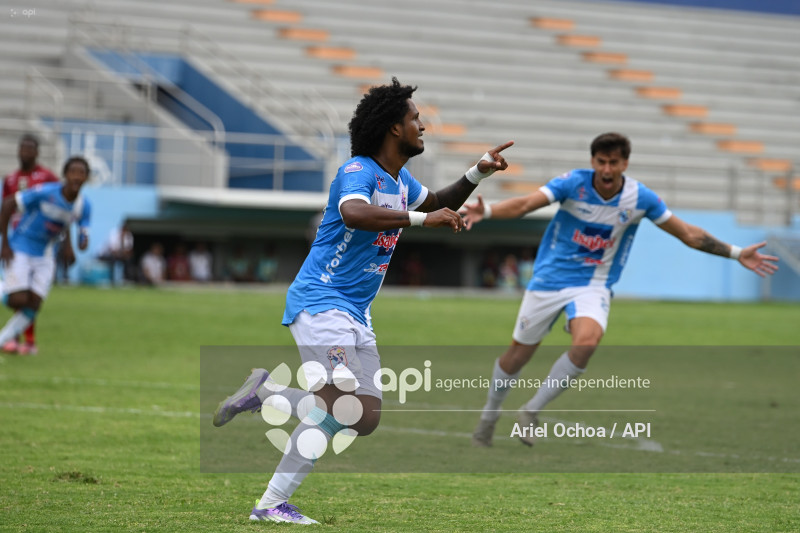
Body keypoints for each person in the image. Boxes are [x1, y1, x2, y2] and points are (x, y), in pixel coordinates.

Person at [212, 77, 513, 524]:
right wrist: (419, 218)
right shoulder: (358, 171)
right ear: (394, 128)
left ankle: (267, 435)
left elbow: (439, 201)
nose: (422, 126)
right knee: (340, 405)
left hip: (354, 311)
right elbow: (354, 211)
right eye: (415, 118)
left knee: (363, 417)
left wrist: (478, 172)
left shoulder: (399, 178)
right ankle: (269, 474)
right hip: (321, 302)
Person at [462, 132, 779, 448]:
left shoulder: (640, 198)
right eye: (601, 162)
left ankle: (531, 411)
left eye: (614, 162)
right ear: (593, 162)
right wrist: (486, 211)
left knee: (587, 342)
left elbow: (688, 234)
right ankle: (489, 416)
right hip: (548, 280)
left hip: (593, 285)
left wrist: (737, 253)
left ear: (625, 163)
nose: (608, 169)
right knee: (517, 357)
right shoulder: (573, 183)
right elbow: (525, 204)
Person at [0, 156, 91, 353]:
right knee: (17, 300)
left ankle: (3, 340)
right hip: (22, 246)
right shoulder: (46, 193)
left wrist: (77, 244)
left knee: (34, 305)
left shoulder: (84, 205)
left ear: (87, 178)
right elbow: (8, 204)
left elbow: (78, 228)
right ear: (65, 175)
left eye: (81, 173)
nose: (76, 176)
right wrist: (5, 244)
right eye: (73, 172)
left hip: (46, 254)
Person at [1, 134, 60, 355]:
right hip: (18, 242)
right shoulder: (10, 179)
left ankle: (30, 341)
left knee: (33, 297)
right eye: (22, 148)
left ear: (37, 152)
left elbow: (63, 207)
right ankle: (15, 340)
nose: (25, 152)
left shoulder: (47, 177)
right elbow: (6, 208)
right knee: (19, 294)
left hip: (42, 244)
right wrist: (4, 242)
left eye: (29, 148)